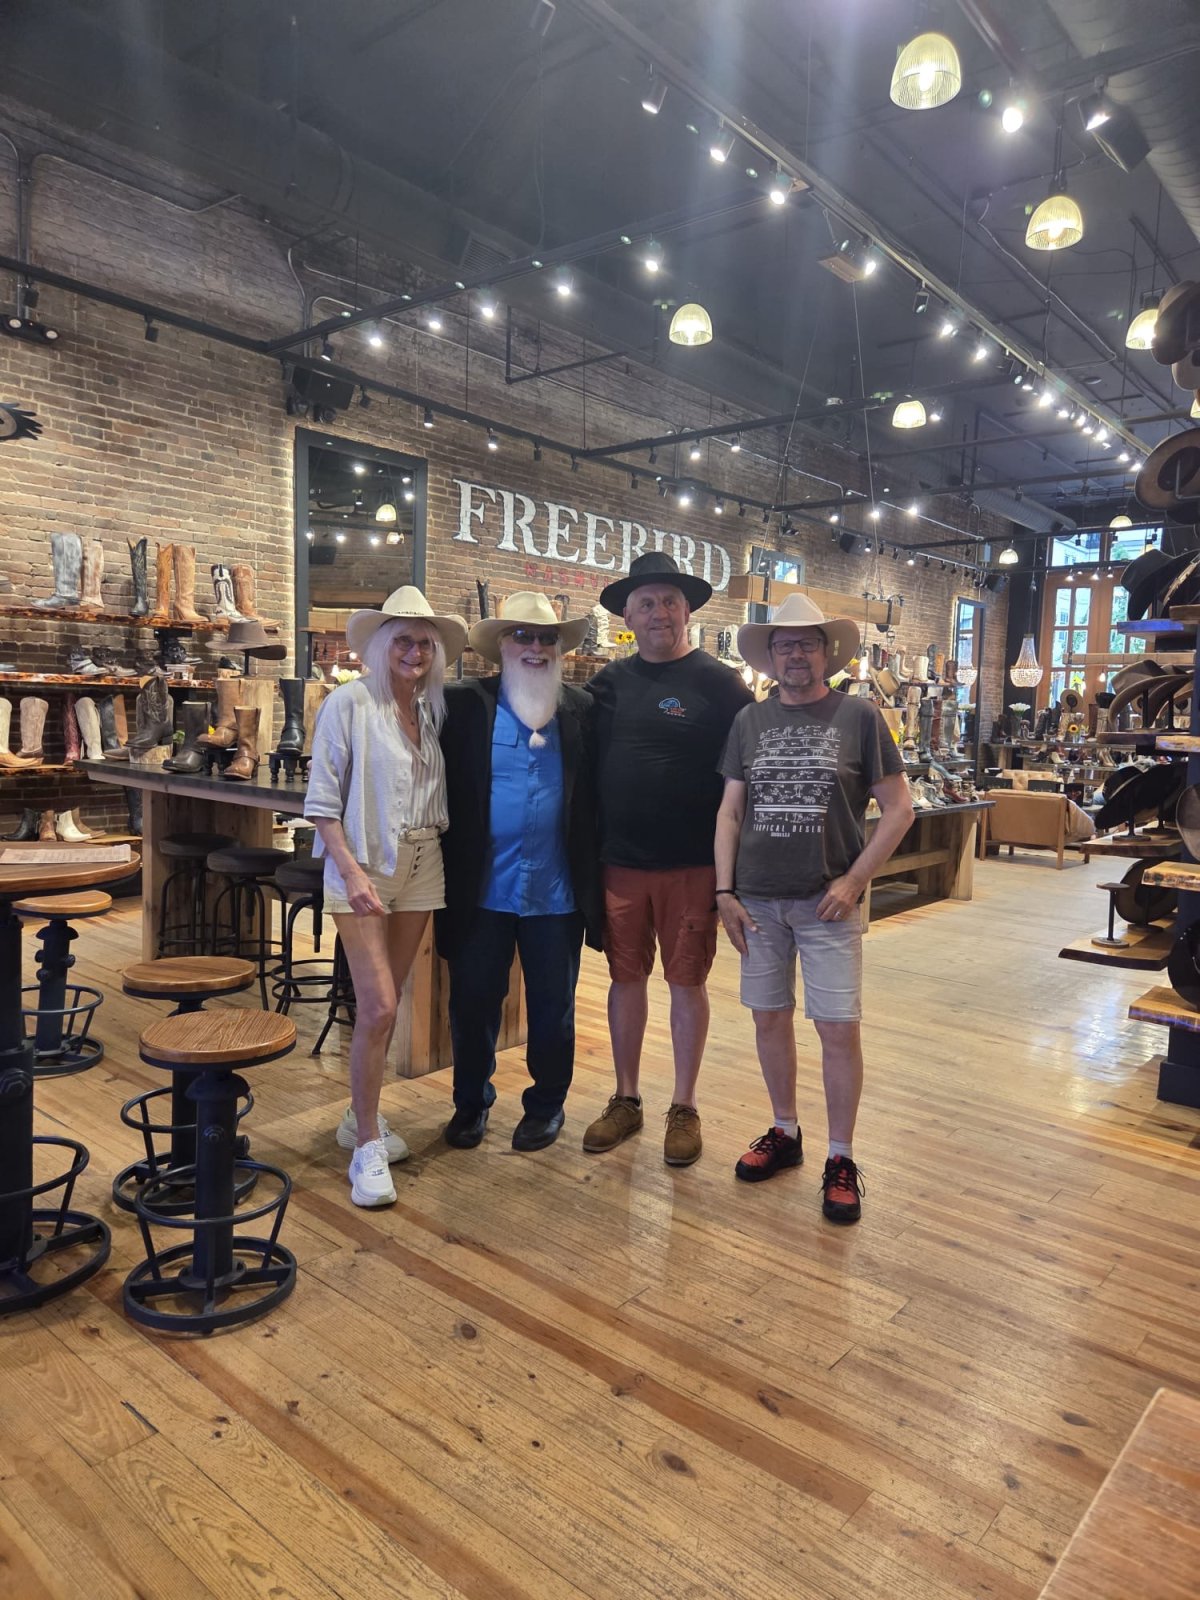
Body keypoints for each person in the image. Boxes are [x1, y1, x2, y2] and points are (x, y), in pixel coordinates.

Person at [714, 593, 914, 1223]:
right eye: (784, 645)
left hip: (828, 903)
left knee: (837, 1027)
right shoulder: (749, 721)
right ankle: (785, 1130)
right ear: (770, 656)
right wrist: (724, 892)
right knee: (768, 1019)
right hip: (757, 902)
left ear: (827, 652)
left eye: (806, 643)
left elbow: (900, 810)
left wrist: (855, 880)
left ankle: (841, 1155)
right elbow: (729, 813)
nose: (795, 654)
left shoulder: (859, 717)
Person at [583, 551, 753, 1166]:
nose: (660, 613)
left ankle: (684, 1105)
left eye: (670, 602)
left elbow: (746, 777)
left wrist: (736, 874)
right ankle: (626, 1098)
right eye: (647, 603)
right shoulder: (606, 686)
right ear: (627, 617)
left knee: (687, 982)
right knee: (624, 978)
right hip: (621, 863)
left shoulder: (721, 684)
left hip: (693, 865)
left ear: (687, 612)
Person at [304, 586, 467, 1207]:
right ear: (380, 645)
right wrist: (350, 872)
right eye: (403, 640)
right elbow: (321, 802)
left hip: (424, 862)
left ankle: (358, 1117)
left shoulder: (427, 709)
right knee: (376, 1008)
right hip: (366, 863)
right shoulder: (348, 703)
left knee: (389, 1002)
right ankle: (367, 1144)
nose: (415, 651)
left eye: (424, 643)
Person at [437, 591, 603, 1152]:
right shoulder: (464, 705)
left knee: (553, 1008)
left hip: (557, 892)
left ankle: (547, 1105)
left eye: (547, 638)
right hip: (481, 889)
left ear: (559, 648)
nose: (536, 646)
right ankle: (470, 1103)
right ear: (501, 645)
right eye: (523, 636)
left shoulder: (583, 710)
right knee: (472, 1004)